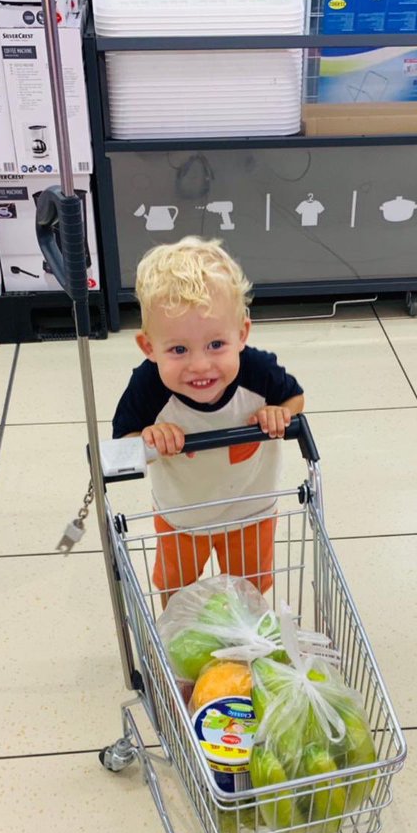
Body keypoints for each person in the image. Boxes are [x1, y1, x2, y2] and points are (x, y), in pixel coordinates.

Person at [112, 236, 305, 599]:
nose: (200, 365)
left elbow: (295, 397)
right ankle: (176, 638)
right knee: (176, 589)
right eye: (179, 349)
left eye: (216, 345)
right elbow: (123, 443)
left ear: (242, 334)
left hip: (250, 510)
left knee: (250, 590)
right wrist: (149, 438)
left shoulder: (258, 371)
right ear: (149, 347)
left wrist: (280, 412)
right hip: (182, 515)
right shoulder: (148, 386)